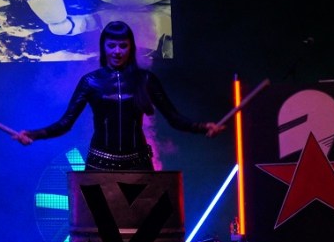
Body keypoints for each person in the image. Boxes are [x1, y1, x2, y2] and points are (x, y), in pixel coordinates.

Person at [14, 20, 224, 170]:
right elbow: (65, 123)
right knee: (95, 221)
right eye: (111, 45)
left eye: (123, 46)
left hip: (138, 164)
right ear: (104, 47)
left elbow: (174, 118)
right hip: (99, 165)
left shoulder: (146, 79)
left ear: (130, 48)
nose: (117, 51)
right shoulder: (90, 81)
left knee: (144, 219)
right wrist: (33, 134)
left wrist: (203, 127)